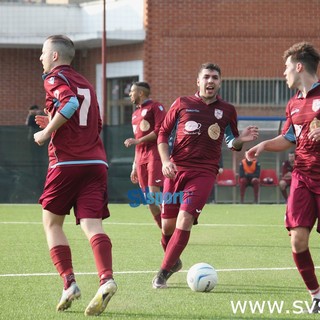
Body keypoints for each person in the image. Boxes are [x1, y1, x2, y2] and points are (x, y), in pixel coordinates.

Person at [152, 62, 259, 288]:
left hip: (204, 173)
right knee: (166, 228)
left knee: (185, 219)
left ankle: (161, 274)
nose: (210, 81)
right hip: (175, 170)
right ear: (198, 81)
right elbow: (162, 134)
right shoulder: (182, 103)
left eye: (215, 78)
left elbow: (232, 142)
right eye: (207, 77)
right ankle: (173, 260)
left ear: (220, 82)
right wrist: (165, 161)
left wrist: (242, 139)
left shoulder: (227, 110)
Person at [33, 35, 117, 316]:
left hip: (67, 162)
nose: (41, 58)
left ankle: (69, 283)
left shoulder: (54, 78)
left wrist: (47, 132)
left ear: (55, 56)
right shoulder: (86, 82)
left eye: (44, 53)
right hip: (96, 162)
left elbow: (69, 105)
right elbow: (95, 122)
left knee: (52, 223)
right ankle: (106, 279)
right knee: (92, 225)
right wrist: (56, 122)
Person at [246, 42, 320, 313]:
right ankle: (316, 295)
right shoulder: (293, 104)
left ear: (299, 67)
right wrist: (264, 145)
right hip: (302, 175)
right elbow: (290, 137)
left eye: (287, 68)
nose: (284, 73)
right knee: (297, 239)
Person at [124, 82, 166, 228]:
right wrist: (134, 166)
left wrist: (138, 141)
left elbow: (160, 130)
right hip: (140, 157)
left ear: (141, 93)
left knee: (154, 195)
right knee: (149, 201)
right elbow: (137, 142)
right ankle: (166, 231)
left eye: (132, 91)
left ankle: (174, 221)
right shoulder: (135, 114)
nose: (129, 94)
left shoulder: (156, 107)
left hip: (155, 153)